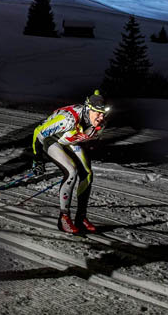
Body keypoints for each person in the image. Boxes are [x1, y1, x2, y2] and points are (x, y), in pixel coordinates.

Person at [31, 91, 110, 235]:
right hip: (52, 140)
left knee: (87, 173)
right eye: (97, 113)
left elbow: (88, 139)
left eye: (103, 114)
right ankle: (64, 218)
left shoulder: (100, 123)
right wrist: (37, 159)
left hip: (70, 139)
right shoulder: (67, 119)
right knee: (71, 172)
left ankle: (81, 217)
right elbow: (38, 132)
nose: (101, 117)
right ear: (88, 109)